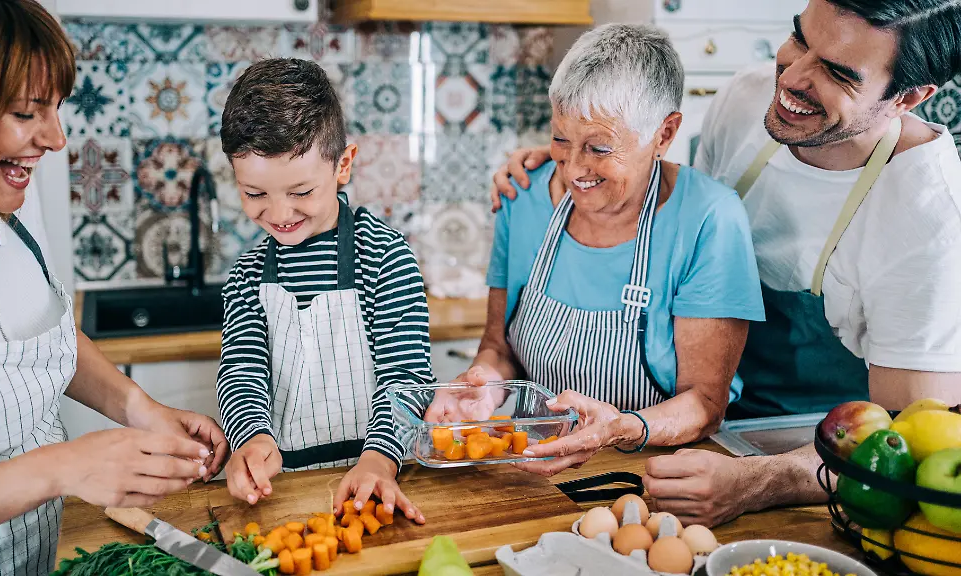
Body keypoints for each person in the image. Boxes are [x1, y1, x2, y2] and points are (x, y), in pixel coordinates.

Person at [492, 0, 961, 526]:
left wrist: (761, 481)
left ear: (911, 97)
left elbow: (904, 446)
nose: (793, 77)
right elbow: (685, 230)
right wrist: (577, 157)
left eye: (837, 72)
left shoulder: (928, 221)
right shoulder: (746, 102)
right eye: (800, 39)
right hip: (710, 437)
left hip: (819, 471)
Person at [0, 1, 230, 573]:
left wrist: (138, 407)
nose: (56, 138)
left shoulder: (11, 205)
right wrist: (64, 467)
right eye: (27, 112)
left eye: (55, 108)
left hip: (36, 555)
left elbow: (46, 340)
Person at [428, 24, 765, 477]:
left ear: (664, 134)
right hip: (533, 471)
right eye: (561, 139)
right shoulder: (523, 197)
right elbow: (497, 347)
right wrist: (482, 390)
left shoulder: (709, 219)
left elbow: (706, 403)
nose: (574, 169)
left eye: (599, 147)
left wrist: (617, 428)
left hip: (651, 477)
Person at [216, 58, 432, 524]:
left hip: (380, 482)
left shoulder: (384, 257)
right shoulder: (248, 273)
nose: (279, 212)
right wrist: (251, 437)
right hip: (285, 490)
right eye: (255, 194)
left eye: (300, 191)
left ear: (343, 165)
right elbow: (242, 370)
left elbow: (406, 376)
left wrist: (378, 460)